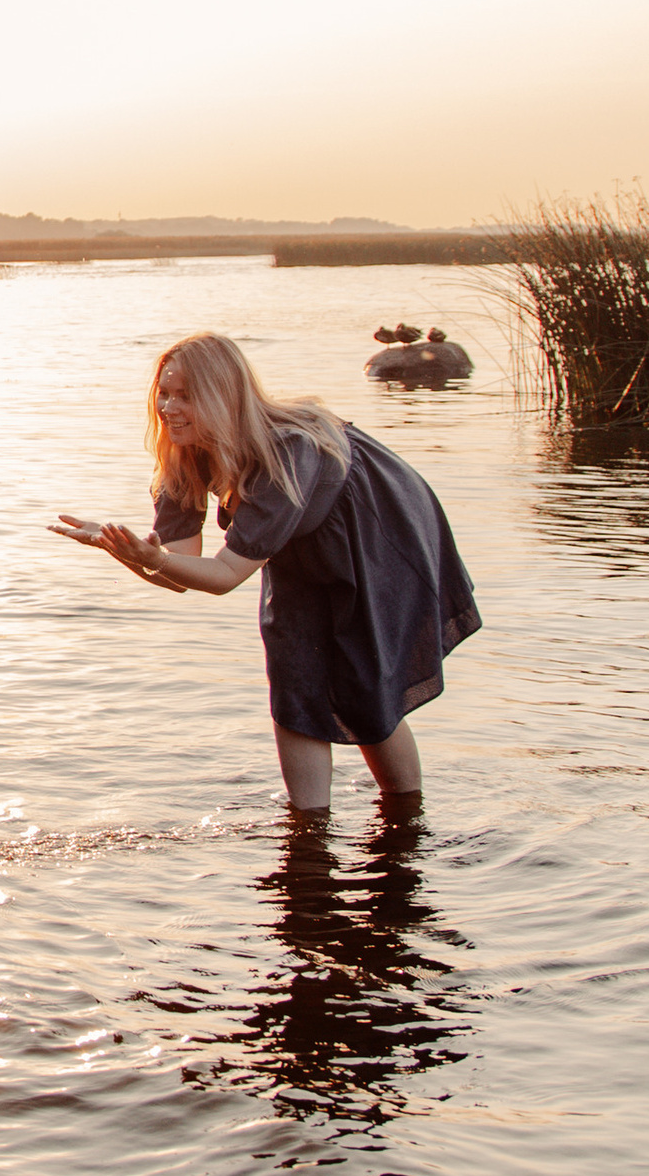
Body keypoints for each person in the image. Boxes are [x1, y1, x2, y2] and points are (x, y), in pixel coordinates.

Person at [54, 329, 479, 814]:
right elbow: (181, 569)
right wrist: (127, 552)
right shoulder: (180, 455)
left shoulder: (288, 451)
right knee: (293, 672)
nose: (168, 408)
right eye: (164, 394)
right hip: (295, 539)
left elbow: (226, 574)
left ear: (220, 397)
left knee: (366, 685)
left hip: (375, 530)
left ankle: (405, 819)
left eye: (185, 396)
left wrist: (155, 559)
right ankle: (308, 824)